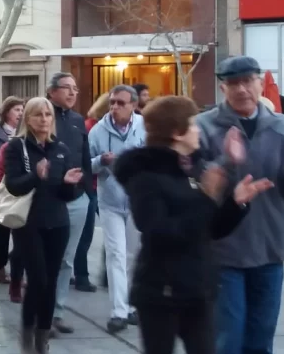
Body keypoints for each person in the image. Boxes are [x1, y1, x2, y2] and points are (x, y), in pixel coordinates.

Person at [115, 95, 272, 354]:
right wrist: (207, 198)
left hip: (199, 288)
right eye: (193, 123)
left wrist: (236, 203)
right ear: (177, 133)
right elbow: (161, 232)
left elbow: (209, 229)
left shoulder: (190, 169)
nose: (199, 129)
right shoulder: (146, 177)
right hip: (161, 291)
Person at [195, 56, 284, 354]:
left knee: (261, 338)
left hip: (269, 248)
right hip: (224, 251)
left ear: (259, 83)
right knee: (229, 339)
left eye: (248, 81)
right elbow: (201, 190)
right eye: (233, 83)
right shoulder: (203, 127)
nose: (242, 89)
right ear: (222, 87)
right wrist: (227, 163)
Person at [3, 96, 83, 354]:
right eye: (38, 115)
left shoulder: (60, 148)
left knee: (50, 282)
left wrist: (70, 184)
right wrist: (35, 177)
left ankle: (42, 337)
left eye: (48, 115)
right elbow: (14, 186)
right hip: (29, 223)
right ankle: (27, 335)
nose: (44, 120)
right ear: (28, 118)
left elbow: (66, 195)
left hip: (58, 223)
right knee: (37, 280)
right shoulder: (16, 148)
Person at [88, 84, 146, 333]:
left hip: (138, 201)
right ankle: (118, 311)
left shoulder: (143, 126)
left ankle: (132, 306)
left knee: (134, 255)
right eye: (112, 102)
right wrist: (101, 161)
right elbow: (86, 165)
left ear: (133, 105)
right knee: (115, 255)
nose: (114, 107)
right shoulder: (98, 131)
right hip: (110, 201)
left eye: (121, 103)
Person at [46, 72, 97, 335]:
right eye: (67, 88)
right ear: (52, 91)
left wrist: (88, 192)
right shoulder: (42, 116)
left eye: (75, 88)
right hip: (49, 199)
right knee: (45, 259)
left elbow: (86, 158)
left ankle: (58, 312)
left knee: (66, 259)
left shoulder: (78, 120)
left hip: (78, 199)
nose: (72, 93)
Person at [0, 96, 24, 290]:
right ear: (7, 112)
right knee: (2, 231)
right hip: (2, 188)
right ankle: (0, 267)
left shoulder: (26, 134)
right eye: (17, 109)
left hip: (23, 190)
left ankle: (18, 269)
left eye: (22, 109)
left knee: (21, 232)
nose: (20, 113)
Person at [82, 92, 110, 289]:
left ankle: (108, 274)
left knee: (112, 233)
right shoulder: (92, 127)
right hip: (90, 186)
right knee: (86, 233)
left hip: (107, 186)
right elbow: (86, 159)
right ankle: (81, 274)